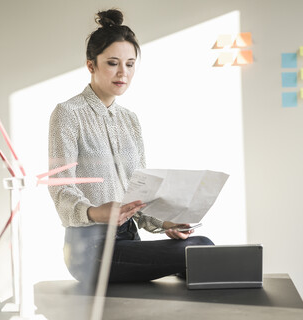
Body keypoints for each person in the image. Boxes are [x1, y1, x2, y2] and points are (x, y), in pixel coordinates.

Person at [48, 9, 213, 290]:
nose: (123, 73)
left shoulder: (130, 120)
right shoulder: (68, 113)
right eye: (112, 63)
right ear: (91, 65)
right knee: (200, 251)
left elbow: (141, 192)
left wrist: (165, 223)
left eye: (130, 64)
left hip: (128, 240)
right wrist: (95, 212)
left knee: (201, 246)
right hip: (89, 250)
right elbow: (60, 185)